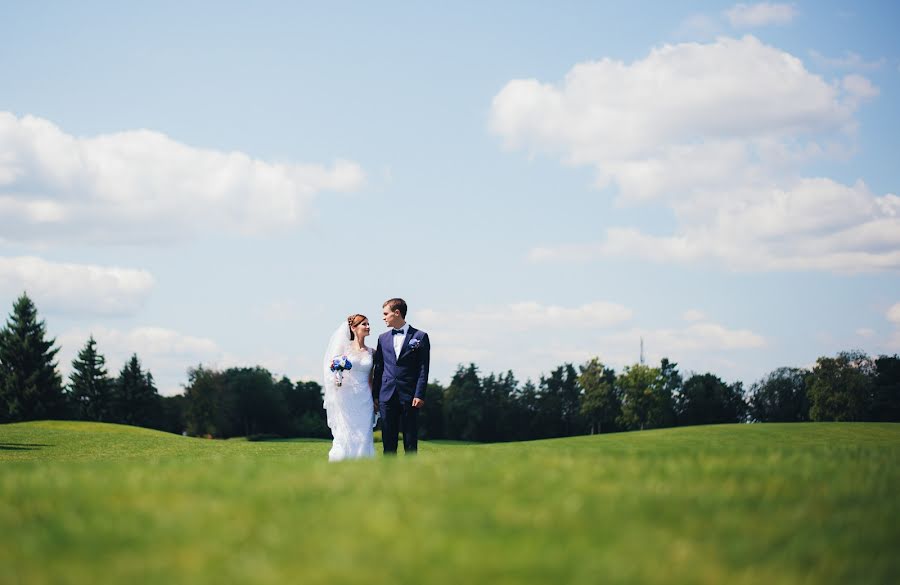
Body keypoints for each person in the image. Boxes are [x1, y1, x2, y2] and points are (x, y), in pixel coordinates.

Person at [373, 298, 430, 455]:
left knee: (410, 441)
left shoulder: (420, 336)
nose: (383, 317)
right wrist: (376, 395)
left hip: (410, 395)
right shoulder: (382, 338)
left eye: (386, 314)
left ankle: (411, 477)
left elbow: (423, 368)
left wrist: (419, 394)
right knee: (388, 442)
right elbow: (379, 368)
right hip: (386, 395)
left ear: (397, 313)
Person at [322, 314, 377, 461]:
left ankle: (364, 463)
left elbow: (371, 378)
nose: (368, 326)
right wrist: (336, 379)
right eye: (364, 324)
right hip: (346, 396)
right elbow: (332, 372)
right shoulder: (343, 351)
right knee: (345, 431)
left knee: (364, 432)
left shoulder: (372, 352)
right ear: (353, 328)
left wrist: (374, 399)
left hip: (365, 397)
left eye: (368, 324)